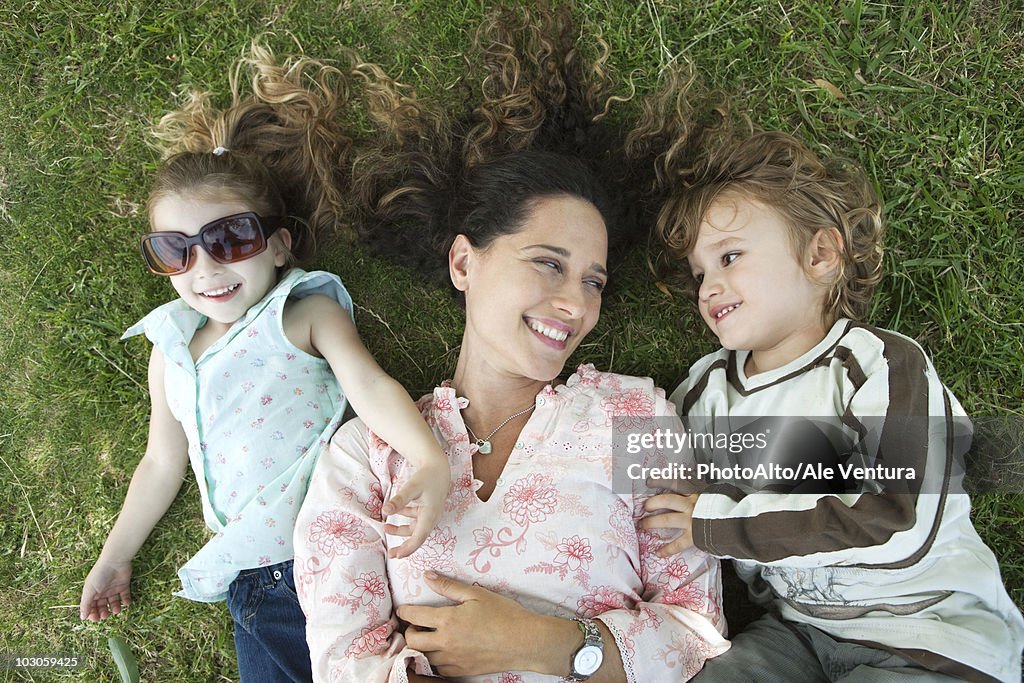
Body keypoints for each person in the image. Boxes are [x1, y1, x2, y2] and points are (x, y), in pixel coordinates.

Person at [293, 7, 729, 682]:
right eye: (548, 263)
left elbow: (696, 628)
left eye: (593, 281)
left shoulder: (636, 418)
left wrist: (542, 643)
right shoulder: (365, 456)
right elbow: (342, 655)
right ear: (464, 263)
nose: (577, 305)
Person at [78, 45, 451, 682]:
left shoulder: (300, 312)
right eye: (176, 250)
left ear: (278, 246)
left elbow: (369, 385)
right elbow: (161, 462)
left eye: (230, 240)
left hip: (323, 551)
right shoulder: (170, 355)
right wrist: (116, 557)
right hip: (247, 581)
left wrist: (428, 458)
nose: (207, 267)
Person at [644, 129, 1024, 682]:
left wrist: (716, 525)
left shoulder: (881, 367)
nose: (707, 287)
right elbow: (656, 486)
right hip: (797, 633)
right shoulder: (703, 392)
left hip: (931, 634)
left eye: (730, 257)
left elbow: (900, 518)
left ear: (820, 254)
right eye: (701, 273)